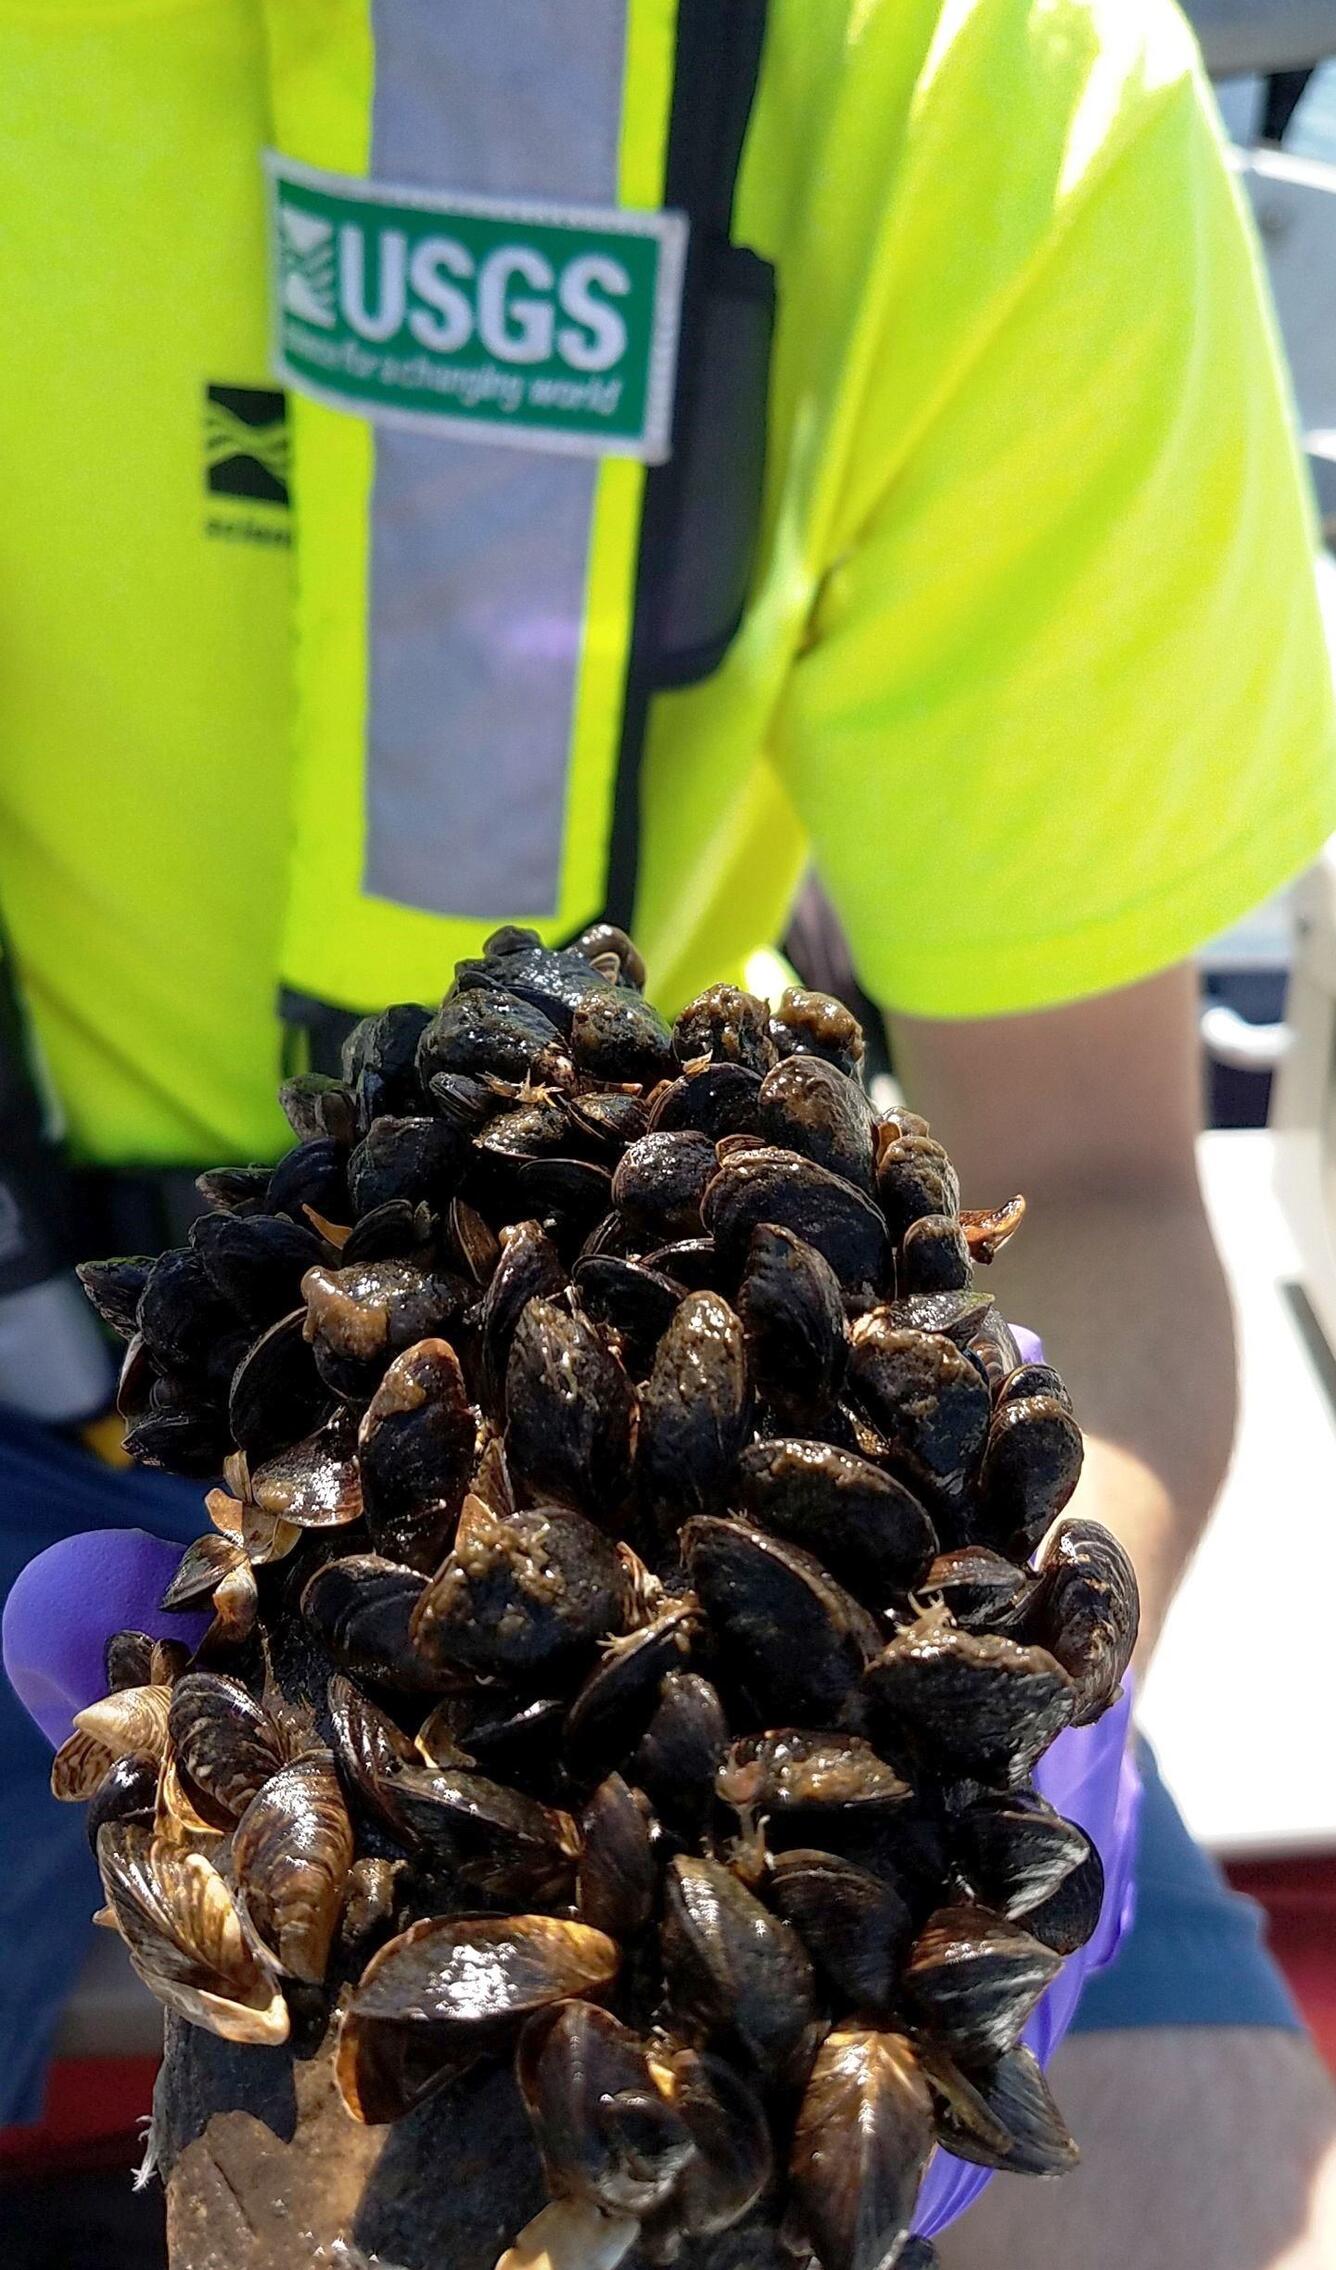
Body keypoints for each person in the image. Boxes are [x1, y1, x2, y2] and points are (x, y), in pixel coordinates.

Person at [1, 1, 1334, 2264]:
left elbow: (1099, 1190)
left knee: (1213, 2183)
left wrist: (980, 1723)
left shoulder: (974, 79)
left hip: (682, 1436)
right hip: (34, 1379)